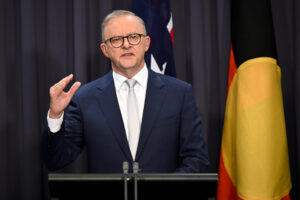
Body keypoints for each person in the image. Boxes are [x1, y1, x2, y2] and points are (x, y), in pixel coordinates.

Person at [43, 10, 209, 173]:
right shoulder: (85, 98)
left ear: (147, 43)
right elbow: (57, 160)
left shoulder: (179, 93)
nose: (126, 44)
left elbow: (196, 159)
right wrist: (56, 116)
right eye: (116, 39)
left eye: (134, 37)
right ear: (105, 50)